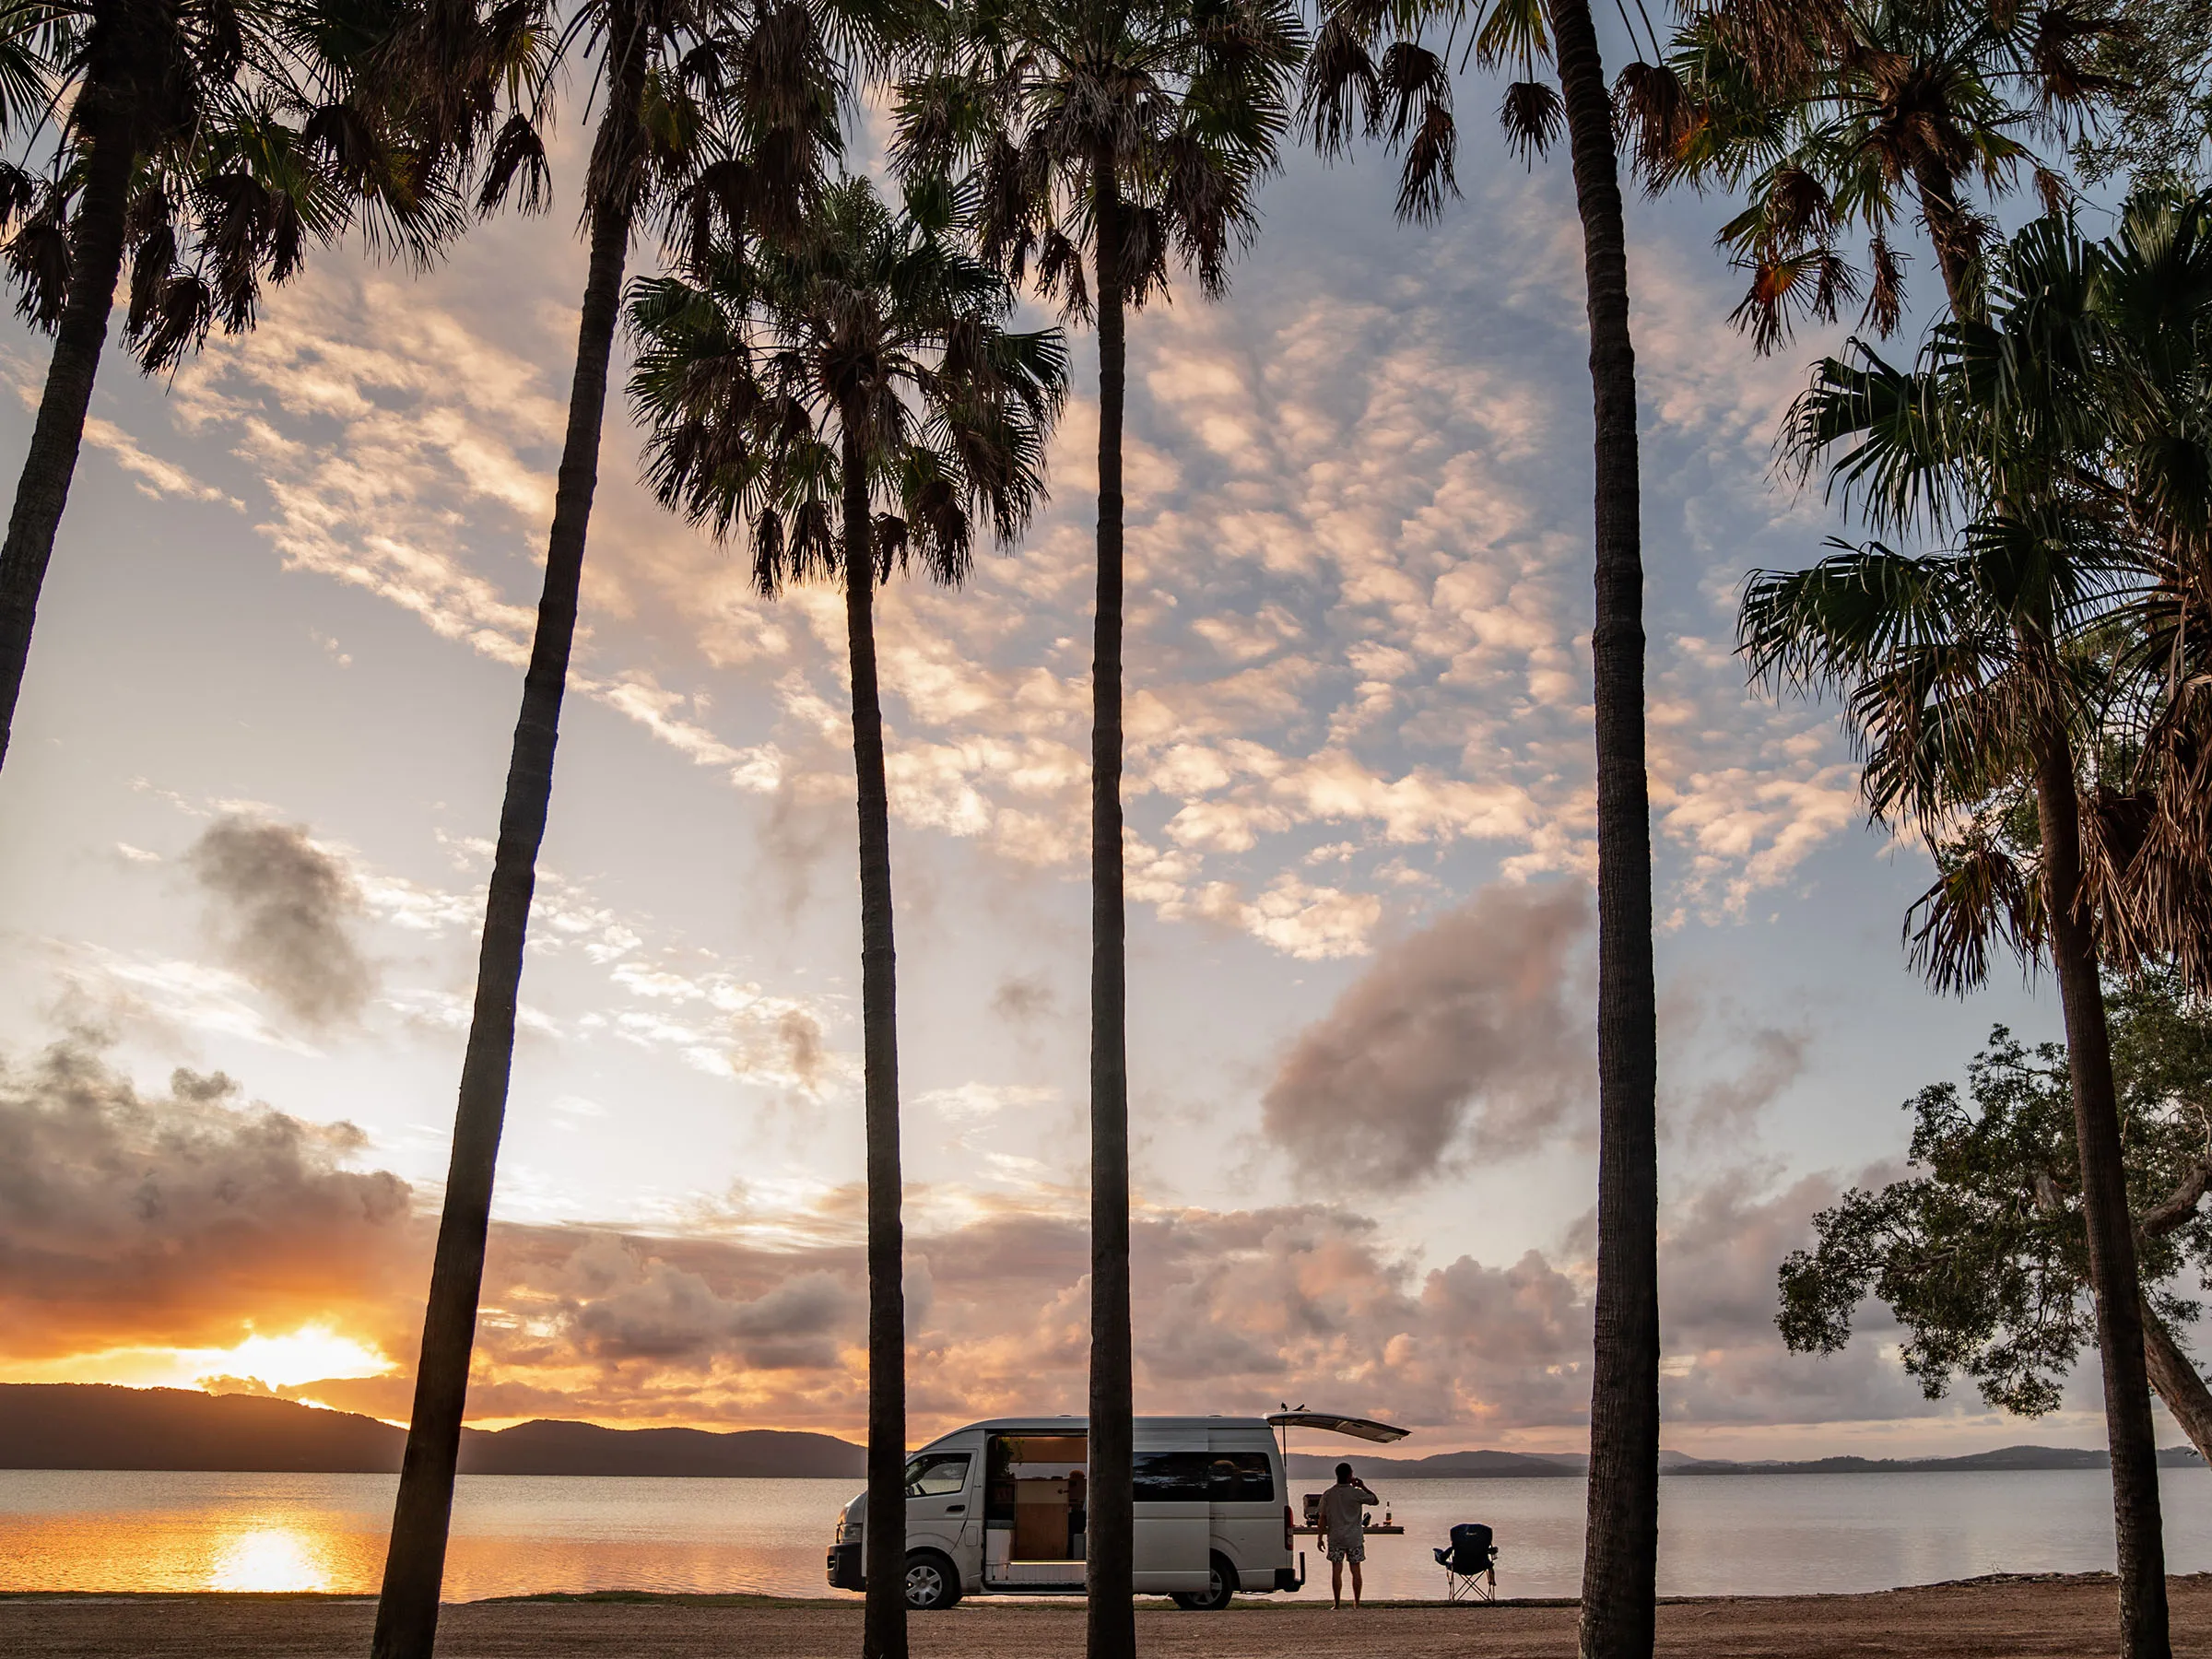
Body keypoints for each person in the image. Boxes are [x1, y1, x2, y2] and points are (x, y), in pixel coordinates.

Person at [1317, 1461, 1379, 1608]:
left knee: (1336, 1570)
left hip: (1335, 1537)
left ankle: (1337, 1604)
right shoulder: (1356, 1493)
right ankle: (1356, 1603)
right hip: (1354, 1538)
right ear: (1350, 1475)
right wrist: (1362, 1486)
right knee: (1355, 1570)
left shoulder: (1328, 1494)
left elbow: (1322, 1517)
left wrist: (1319, 1537)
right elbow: (1375, 1501)